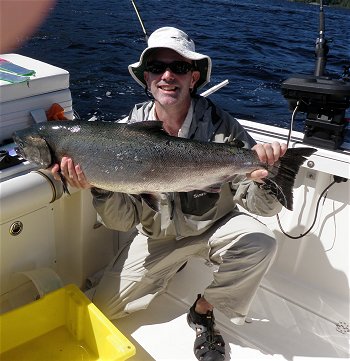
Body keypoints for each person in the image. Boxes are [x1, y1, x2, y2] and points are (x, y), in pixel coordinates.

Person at [52, 27, 287, 361]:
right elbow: (124, 221)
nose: (167, 76)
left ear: (193, 78)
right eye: (157, 68)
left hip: (213, 227)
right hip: (157, 238)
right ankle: (170, 267)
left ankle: (203, 310)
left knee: (260, 241)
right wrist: (100, 187)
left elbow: (258, 206)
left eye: (177, 68)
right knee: (103, 311)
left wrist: (266, 178)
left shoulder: (223, 128)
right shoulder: (124, 133)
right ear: (146, 78)